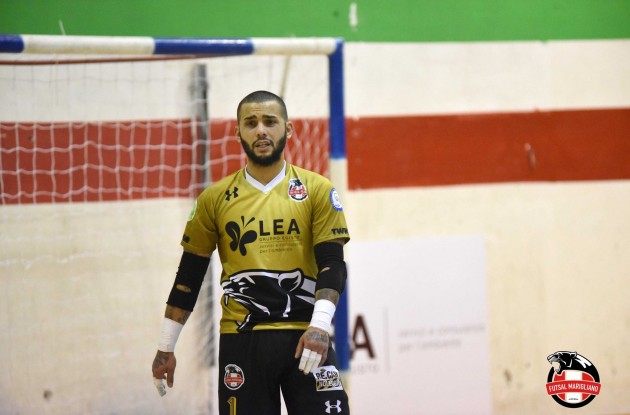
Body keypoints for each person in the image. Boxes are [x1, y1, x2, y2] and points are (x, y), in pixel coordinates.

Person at [151, 90, 351, 414]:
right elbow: (188, 279)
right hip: (242, 342)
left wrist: (319, 326)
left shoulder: (317, 189)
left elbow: (332, 265)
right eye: (251, 122)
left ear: (287, 129)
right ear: (237, 132)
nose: (261, 130)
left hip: (307, 336)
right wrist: (165, 347)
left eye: (270, 122)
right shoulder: (214, 199)